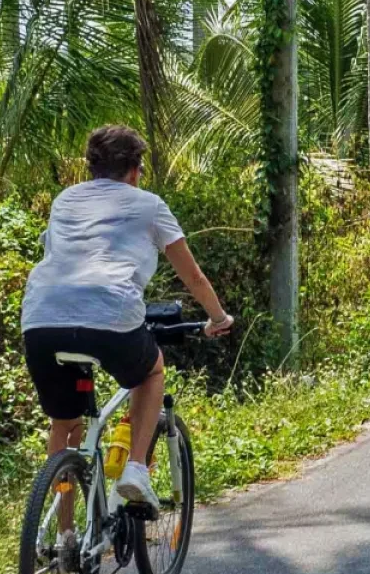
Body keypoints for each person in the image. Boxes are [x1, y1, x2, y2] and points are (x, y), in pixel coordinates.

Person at [21, 126, 235, 513]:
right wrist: (218, 317)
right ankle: (136, 467)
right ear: (135, 171)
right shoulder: (149, 204)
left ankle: (65, 538)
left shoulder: (65, 199)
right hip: (112, 312)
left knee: (66, 423)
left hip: (40, 317)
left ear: (91, 167)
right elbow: (194, 277)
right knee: (150, 372)